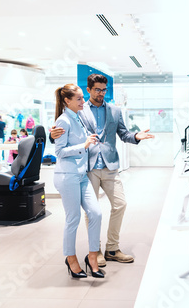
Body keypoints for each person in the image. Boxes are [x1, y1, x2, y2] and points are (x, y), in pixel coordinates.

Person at [51, 73, 155, 267]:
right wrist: (52, 134)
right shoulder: (79, 109)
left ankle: (112, 248)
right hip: (87, 168)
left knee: (120, 204)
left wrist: (136, 136)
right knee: (92, 212)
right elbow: (62, 131)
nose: (101, 93)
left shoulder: (115, 111)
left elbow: (124, 134)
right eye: (97, 90)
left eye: (104, 90)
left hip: (109, 166)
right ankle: (95, 250)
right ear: (89, 89)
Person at [53, 83, 104, 279]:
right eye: (79, 99)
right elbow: (60, 152)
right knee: (72, 219)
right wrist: (83, 145)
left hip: (81, 175)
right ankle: (71, 258)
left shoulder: (77, 117)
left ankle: (92, 257)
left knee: (96, 213)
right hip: (68, 176)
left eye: (83, 98)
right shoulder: (63, 120)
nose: (84, 101)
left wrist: (87, 139)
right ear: (67, 100)